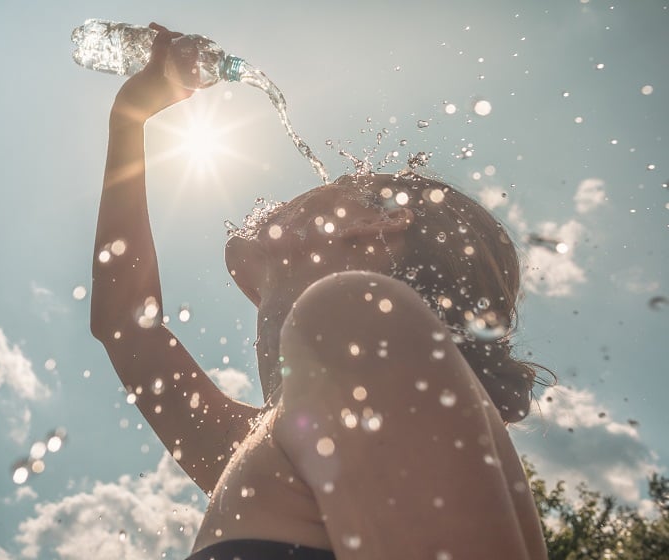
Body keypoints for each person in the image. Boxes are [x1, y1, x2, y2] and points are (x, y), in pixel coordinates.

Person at [90, 23, 549, 560]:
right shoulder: (271, 443)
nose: (306, 190)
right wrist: (129, 121)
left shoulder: (353, 315)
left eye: (342, 184)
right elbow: (124, 325)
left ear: (377, 224)